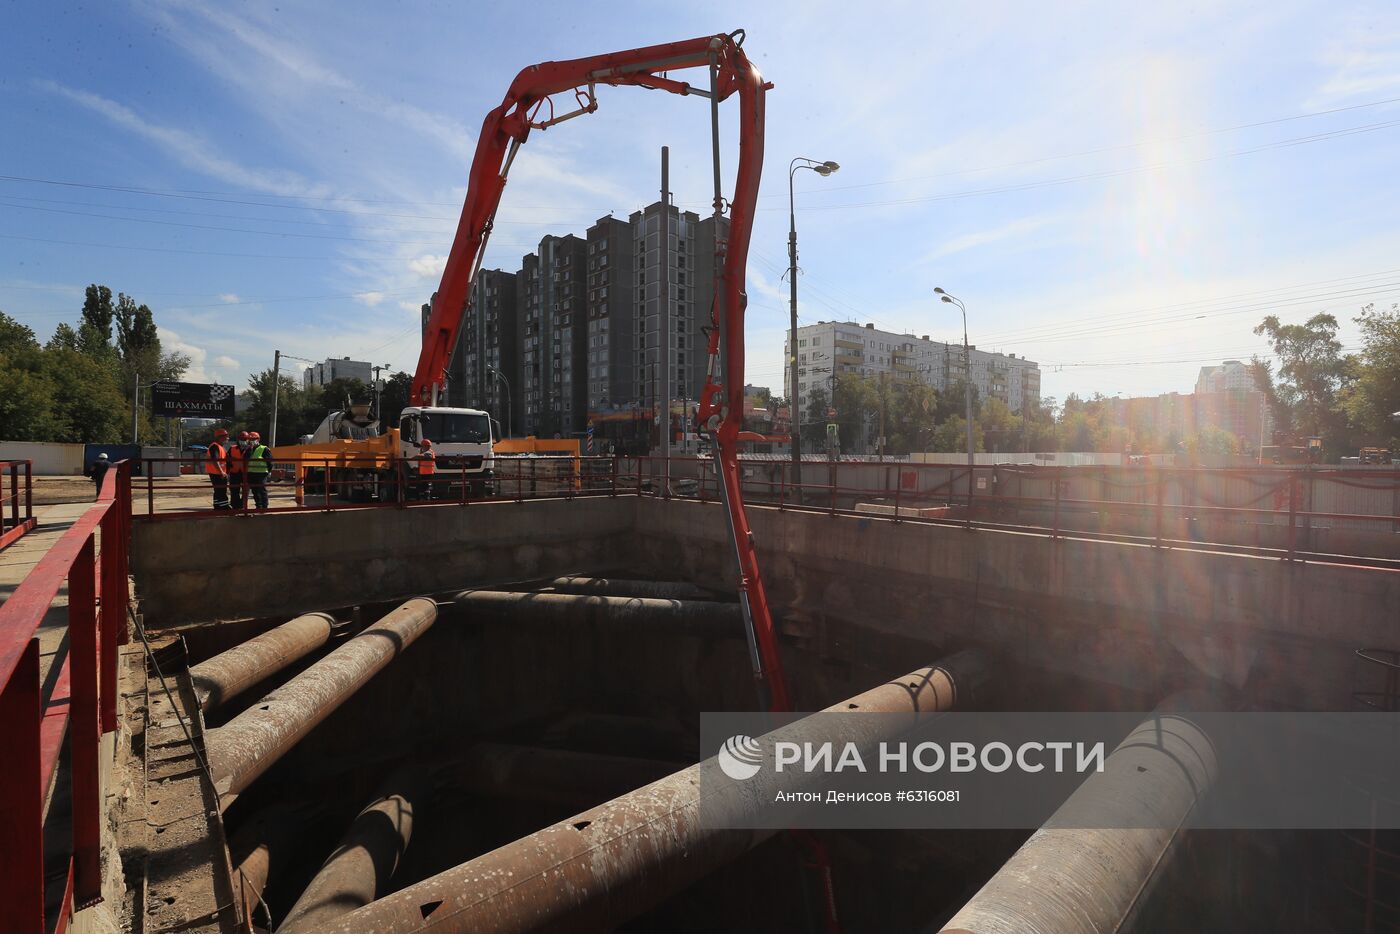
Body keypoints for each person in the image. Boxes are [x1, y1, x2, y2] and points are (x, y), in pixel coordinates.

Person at [246, 431, 271, 510]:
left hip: (261, 473)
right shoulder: (249, 449)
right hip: (251, 473)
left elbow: (270, 461)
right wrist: (250, 449)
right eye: (250, 439)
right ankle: (258, 506)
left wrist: (269, 471)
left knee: (261, 490)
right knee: (255, 491)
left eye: (254, 439)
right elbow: (246, 459)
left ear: (258, 439)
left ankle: (264, 507)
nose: (252, 441)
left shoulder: (264, 449)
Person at [207, 429, 231, 510]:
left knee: (218, 490)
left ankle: (217, 505)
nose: (228, 438)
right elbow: (215, 460)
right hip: (217, 473)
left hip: (217, 472)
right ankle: (224, 506)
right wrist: (221, 472)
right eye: (226, 437)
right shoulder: (215, 446)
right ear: (220, 437)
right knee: (221, 490)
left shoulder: (220, 447)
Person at [228, 430, 249, 510]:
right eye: (241, 439)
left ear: (248, 440)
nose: (243, 441)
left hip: (245, 473)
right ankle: (235, 505)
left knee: (245, 490)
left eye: (245, 439)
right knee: (234, 490)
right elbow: (228, 459)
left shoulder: (250, 449)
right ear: (238, 439)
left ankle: (243, 505)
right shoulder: (232, 448)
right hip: (234, 472)